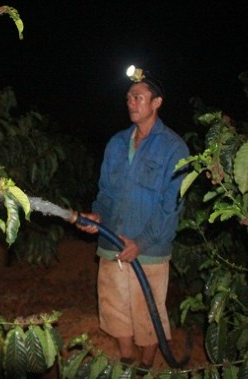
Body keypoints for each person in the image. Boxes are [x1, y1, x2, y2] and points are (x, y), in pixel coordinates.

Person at [75, 67, 189, 368]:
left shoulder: (174, 148)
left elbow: (173, 205)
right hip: (112, 241)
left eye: (138, 97)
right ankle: (126, 358)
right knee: (114, 305)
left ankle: (147, 364)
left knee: (147, 309)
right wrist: (97, 215)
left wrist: (142, 242)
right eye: (128, 97)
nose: (131, 102)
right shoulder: (116, 143)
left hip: (149, 250)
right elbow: (106, 192)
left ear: (156, 103)